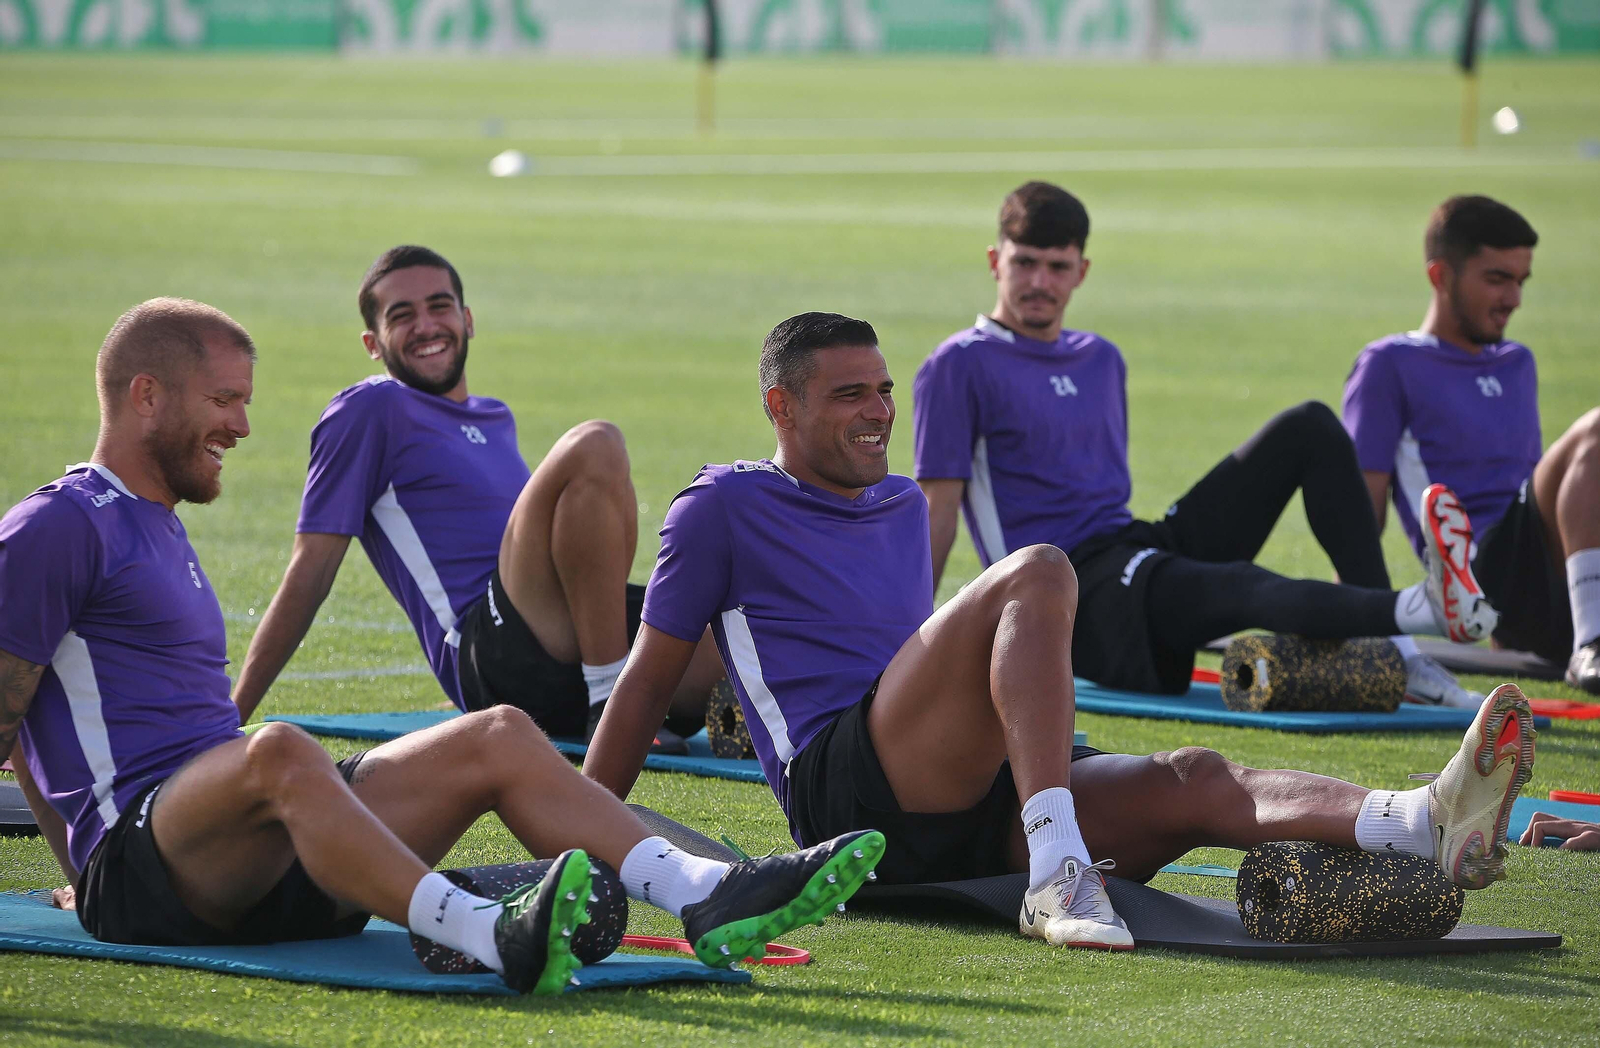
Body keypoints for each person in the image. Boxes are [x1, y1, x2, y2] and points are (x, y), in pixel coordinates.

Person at [0, 299, 882, 993]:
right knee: (279, 752)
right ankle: (477, 928)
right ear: (145, 394)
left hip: (254, 852)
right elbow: (13, 713)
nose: (240, 426)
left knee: (496, 733)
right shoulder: (60, 524)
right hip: (155, 868)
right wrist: (87, 866)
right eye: (223, 401)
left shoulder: (158, 524)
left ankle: (701, 891)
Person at [584, 311, 1536, 949]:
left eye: (882, 391)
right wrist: (576, 825)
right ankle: (1057, 869)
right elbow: (644, 677)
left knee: (1190, 776)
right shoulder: (719, 508)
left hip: (966, 790)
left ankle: (1420, 819)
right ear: (779, 408)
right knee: (1040, 566)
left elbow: (925, 666)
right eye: (849, 396)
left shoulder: (896, 503)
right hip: (852, 796)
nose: (880, 412)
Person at [912, 181, 1493, 708]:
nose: (1040, 283)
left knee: (1310, 426)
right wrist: (913, 643)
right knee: (1242, 585)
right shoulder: (959, 365)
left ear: (1082, 271)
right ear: (996, 262)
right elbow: (937, 510)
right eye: (1025, 263)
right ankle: (1421, 611)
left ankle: (1404, 656)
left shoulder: (1100, 358)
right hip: (1070, 598)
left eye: (1057, 267)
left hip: (1131, 548)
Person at [233, 246, 723, 747]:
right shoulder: (369, 408)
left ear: (467, 320)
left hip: (568, 631)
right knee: (595, 444)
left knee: (744, 634)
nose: (426, 325)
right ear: (372, 344)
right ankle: (610, 704)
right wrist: (232, 715)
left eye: (439, 306)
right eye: (401, 316)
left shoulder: (494, 417)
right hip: (492, 651)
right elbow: (310, 569)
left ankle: (729, 706)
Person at [1342, 195, 1600, 694]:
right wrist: (1344, 616)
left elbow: (1540, 494)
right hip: (1475, 571)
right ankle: (1592, 644)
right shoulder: (1389, 364)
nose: (1514, 299)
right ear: (1441, 276)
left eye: (1521, 281)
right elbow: (1356, 521)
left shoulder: (1517, 362)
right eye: (1497, 278)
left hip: (1542, 581)